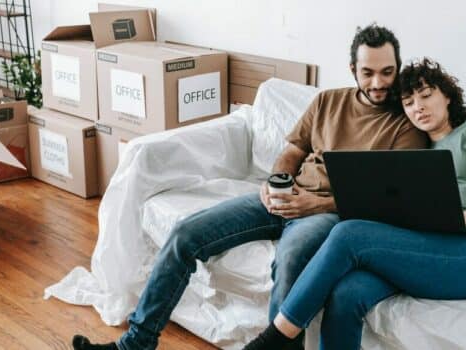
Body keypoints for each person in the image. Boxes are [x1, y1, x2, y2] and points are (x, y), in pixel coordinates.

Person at [72, 24, 427, 350]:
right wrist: (277, 182)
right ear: (353, 70)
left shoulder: (406, 124)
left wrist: (313, 206)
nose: (378, 82)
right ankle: (136, 343)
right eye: (368, 72)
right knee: (185, 234)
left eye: (387, 72)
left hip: (326, 214)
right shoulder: (327, 101)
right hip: (282, 198)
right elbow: (293, 150)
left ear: (398, 68)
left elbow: (387, 199)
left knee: (290, 260)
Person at [242, 57, 466, 350]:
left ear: (447, 95)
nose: (417, 106)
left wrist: (458, 219)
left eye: (426, 95)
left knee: (349, 233)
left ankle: (273, 340)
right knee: (346, 292)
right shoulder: (416, 153)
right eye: (408, 102)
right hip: (428, 245)